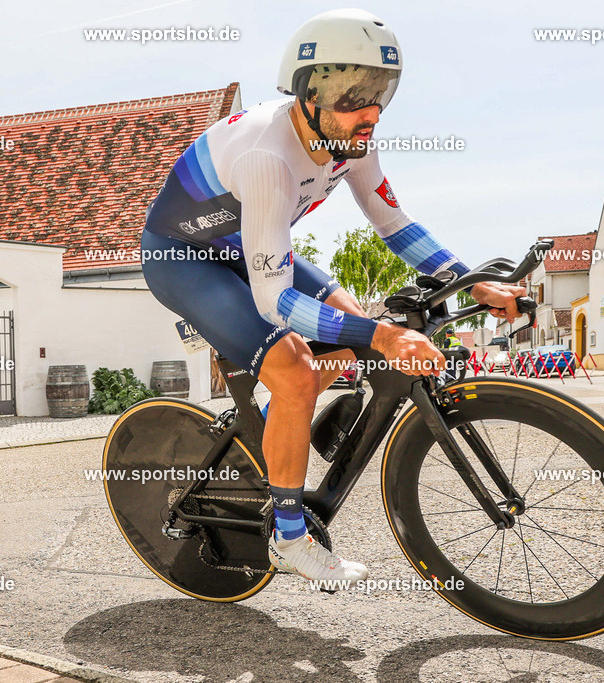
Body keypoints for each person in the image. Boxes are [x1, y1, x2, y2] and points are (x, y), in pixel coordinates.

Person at [141, 9, 527, 584]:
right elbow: (275, 304)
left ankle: (274, 425)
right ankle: (289, 539)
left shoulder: (350, 137)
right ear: (308, 91)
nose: (368, 108)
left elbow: (395, 225)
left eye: (379, 91)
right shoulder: (267, 157)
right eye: (351, 92)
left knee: (348, 330)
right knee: (299, 369)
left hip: (252, 245)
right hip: (184, 259)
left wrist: (474, 280)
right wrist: (385, 333)